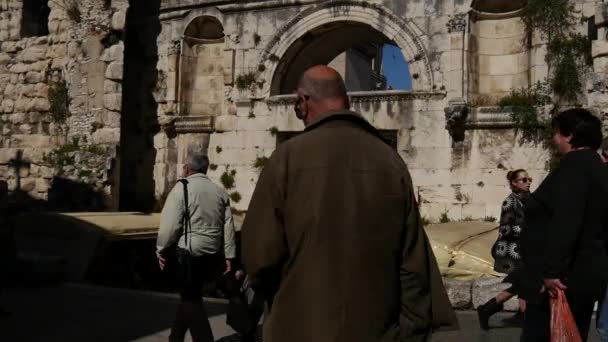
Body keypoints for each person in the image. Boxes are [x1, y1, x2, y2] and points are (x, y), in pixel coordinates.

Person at [241, 65, 458, 342]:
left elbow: (259, 257)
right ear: (349, 102)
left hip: (298, 325)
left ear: (304, 102)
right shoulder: (390, 161)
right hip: (376, 328)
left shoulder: (286, 158)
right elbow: (412, 263)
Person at [519, 108, 608, 341]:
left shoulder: (574, 167)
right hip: (585, 274)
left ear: (569, 136)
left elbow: (567, 220)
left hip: (560, 281)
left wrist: (551, 272)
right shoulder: (597, 167)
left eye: (556, 134)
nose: (553, 140)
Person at [156, 152, 236, 342]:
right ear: (206, 168)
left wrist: (161, 249)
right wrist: (229, 255)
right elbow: (228, 226)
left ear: (186, 168)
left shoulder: (181, 188)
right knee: (189, 294)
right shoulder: (220, 191)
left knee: (191, 299)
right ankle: (175, 338)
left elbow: (170, 225)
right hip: (212, 254)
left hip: (189, 254)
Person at [477, 169, 531, 329]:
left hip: (524, 249)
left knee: (522, 282)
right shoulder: (510, 202)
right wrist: (528, 232)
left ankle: (491, 309)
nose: (528, 182)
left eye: (529, 179)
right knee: (524, 280)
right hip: (513, 251)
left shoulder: (526, 199)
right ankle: (489, 309)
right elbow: (505, 229)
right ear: (514, 183)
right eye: (524, 179)